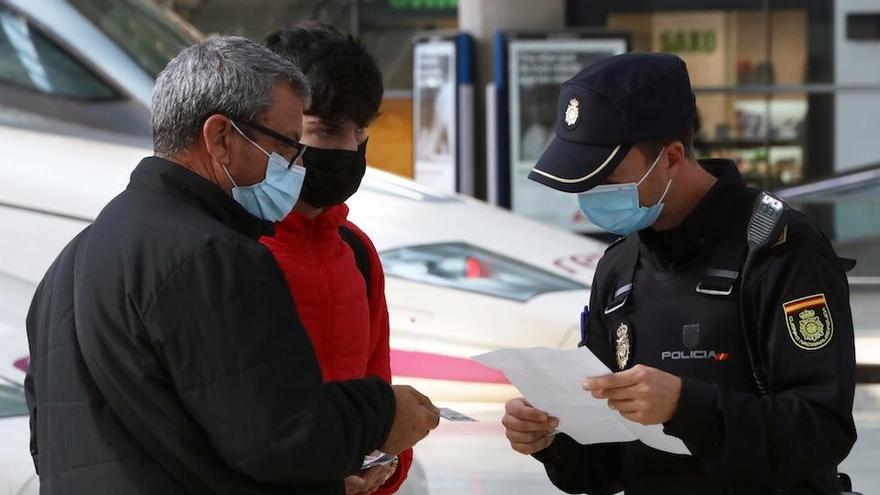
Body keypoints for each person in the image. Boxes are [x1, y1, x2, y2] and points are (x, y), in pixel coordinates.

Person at [24, 36, 439, 495]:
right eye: (286, 146)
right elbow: (280, 438)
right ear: (221, 138)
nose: (297, 166)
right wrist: (384, 415)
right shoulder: (216, 255)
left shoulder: (75, 255)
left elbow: (55, 439)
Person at [501, 53, 857, 494]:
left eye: (606, 174)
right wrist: (551, 437)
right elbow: (604, 469)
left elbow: (821, 432)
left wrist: (687, 406)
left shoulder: (779, 250)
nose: (590, 193)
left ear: (670, 157)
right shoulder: (620, 266)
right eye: (581, 177)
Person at [261, 23, 410, 495]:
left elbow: (378, 390)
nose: (348, 148)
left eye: (358, 131)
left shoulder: (357, 252)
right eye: (325, 130)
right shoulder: (229, 251)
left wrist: (386, 465)